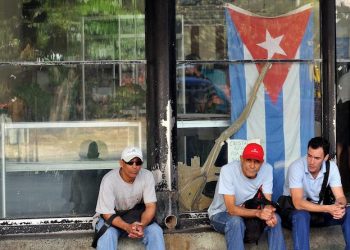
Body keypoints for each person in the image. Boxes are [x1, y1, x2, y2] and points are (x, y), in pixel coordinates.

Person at [208, 143, 286, 250]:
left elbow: (267, 203)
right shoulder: (228, 170)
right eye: (248, 160)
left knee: (275, 218)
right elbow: (231, 210)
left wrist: (268, 213)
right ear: (241, 159)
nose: (252, 166)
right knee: (235, 221)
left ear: (262, 163)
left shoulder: (267, 169)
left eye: (256, 162)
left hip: (249, 214)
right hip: (222, 214)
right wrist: (258, 213)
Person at [283, 136, 350, 250]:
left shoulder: (332, 167)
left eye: (317, 158)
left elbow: (341, 197)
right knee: (301, 215)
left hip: (319, 213)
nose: (311, 161)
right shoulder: (296, 167)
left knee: (348, 212)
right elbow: (298, 203)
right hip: (295, 214)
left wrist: (339, 205)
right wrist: (328, 208)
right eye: (309, 156)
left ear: (326, 158)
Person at [94, 146, 165, 250]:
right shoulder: (109, 180)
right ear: (122, 163)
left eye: (138, 162)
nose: (135, 166)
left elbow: (150, 206)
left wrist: (141, 225)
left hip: (135, 217)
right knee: (107, 234)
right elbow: (107, 214)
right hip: (112, 218)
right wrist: (127, 227)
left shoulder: (147, 176)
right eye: (130, 162)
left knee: (156, 231)